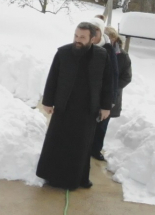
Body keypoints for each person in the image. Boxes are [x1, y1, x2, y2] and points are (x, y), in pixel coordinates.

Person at [36, 22, 114, 190]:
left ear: (92, 39)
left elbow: (108, 83)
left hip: (88, 109)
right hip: (64, 106)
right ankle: (52, 177)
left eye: (82, 37)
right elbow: (53, 78)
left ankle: (77, 179)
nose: (78, 40)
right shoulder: (63, 53)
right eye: (76, 36)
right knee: (58, 142)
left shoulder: (102, 56)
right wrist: (48, 102)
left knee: (81, 146)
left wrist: (106, 106)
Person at [89, 18, 118, 162]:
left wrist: (108, 102)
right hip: (86, 97)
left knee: (100, 126)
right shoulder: (83, 46)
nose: (94, 34)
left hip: (101, 98)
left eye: (97, 30)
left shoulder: (107, 49)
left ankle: (95, 149)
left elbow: (112, 77)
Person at [105, 27, 132, 120]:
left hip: (112, 97)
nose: (108, 41)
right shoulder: (96, 51)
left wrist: (112, 87)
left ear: (115, 39)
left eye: (110, 38)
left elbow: (127, 77)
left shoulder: (122, 56)